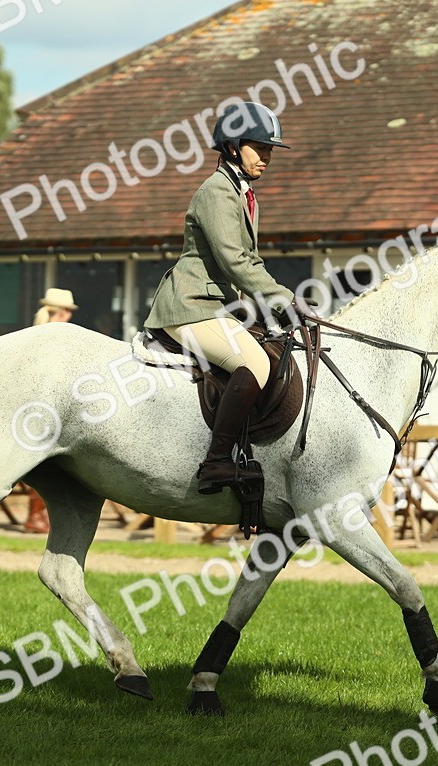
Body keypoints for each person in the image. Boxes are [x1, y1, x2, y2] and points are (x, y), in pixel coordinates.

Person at [143, 101, 296, 493]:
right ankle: (215, 463)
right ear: (231, 147)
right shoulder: (216, 192)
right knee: (256, 363)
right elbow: (234, 260)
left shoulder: (243, 193)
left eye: (270, 150)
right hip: (191, 305)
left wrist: (268, 312)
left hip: (219, 306)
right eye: (259, 147)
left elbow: (248, 263)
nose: (267, 157)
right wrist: (284, 298)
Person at [24, 288, 79, 533]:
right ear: (63, 312)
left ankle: (39, 516)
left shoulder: (36, 336)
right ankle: (37, 516)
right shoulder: (55, 338)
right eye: (67, 311)